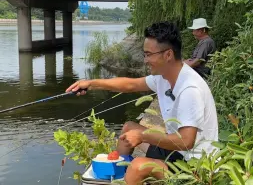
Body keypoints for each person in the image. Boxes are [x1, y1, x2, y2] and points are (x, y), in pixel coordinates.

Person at [66, 21, 218, 185]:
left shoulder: (190, 89)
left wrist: (142, 136)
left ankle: (131, 176)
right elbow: (130, 85)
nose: (145, 60)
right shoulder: (164, 76)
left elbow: (186, 141)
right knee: (128, 129)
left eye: (148, 54)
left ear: (168, 55)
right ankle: (120, 177)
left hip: (195, 166)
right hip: (176, 153)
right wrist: (91, 83)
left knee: (139, 166)